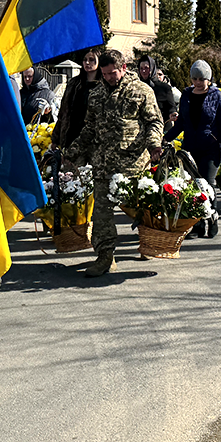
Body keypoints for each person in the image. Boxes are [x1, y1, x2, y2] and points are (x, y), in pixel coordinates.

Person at [65, 49, 163, 277]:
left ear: (124, 68)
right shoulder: (96, 94)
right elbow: (89, 128)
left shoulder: (141, 91)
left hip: (133, 165)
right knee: (101, 214)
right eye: (105, 73)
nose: (109, 77)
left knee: (141, 210)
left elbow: (154, 122)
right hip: (103, 165)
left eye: (112, 73)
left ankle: (148, 241)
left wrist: (154, 144)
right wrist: (72, 152)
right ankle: (105, 257)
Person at [164, 61, 221, 238]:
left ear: (208, 78)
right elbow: (181, 123)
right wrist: (166, 138)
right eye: (194, 78)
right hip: (191, 148)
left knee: (207, 184)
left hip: (211, 148)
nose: (198, 82)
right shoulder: (186, 94)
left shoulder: (217, 96)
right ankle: (198, 223)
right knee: (193, 187)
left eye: (201, 79)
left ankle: (213, 218)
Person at [53, 49, 101, 152]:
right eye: (85, 60)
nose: (87, 63)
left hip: (93, 141)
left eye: (91, 59)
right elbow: (63, 113)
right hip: (72, 135)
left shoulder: (103, 86)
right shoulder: (74, 83)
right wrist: (55, 139)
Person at [137, 55, 178, 125]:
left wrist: (172, 113)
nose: (143, 71)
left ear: (152, 68)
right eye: (141, 68)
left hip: (162, 125)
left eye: (146, 68)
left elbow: (171, 106)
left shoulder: (164, 87)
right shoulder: (136, 87)